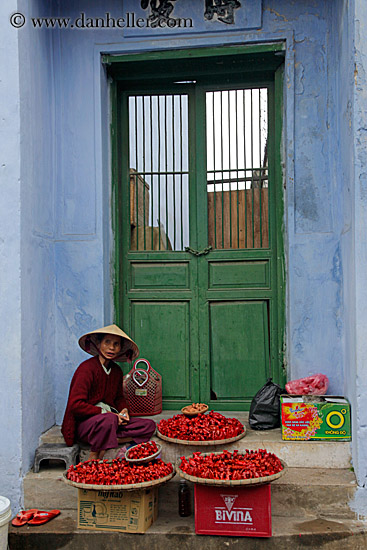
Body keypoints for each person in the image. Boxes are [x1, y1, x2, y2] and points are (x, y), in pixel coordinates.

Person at [62, 324, 156, 460]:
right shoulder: (86, 369)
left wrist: (124, 411)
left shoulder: (116, 371)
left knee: (149, 425)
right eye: (107, 342)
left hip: (111, 422)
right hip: (87, 425)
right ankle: (94, 457)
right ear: (98, 344)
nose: (111, 348)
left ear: (120, 349)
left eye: (116, 344)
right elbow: (75, 405)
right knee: (109, 419)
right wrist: (106, 413)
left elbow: (118, 398)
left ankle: (109, 438)